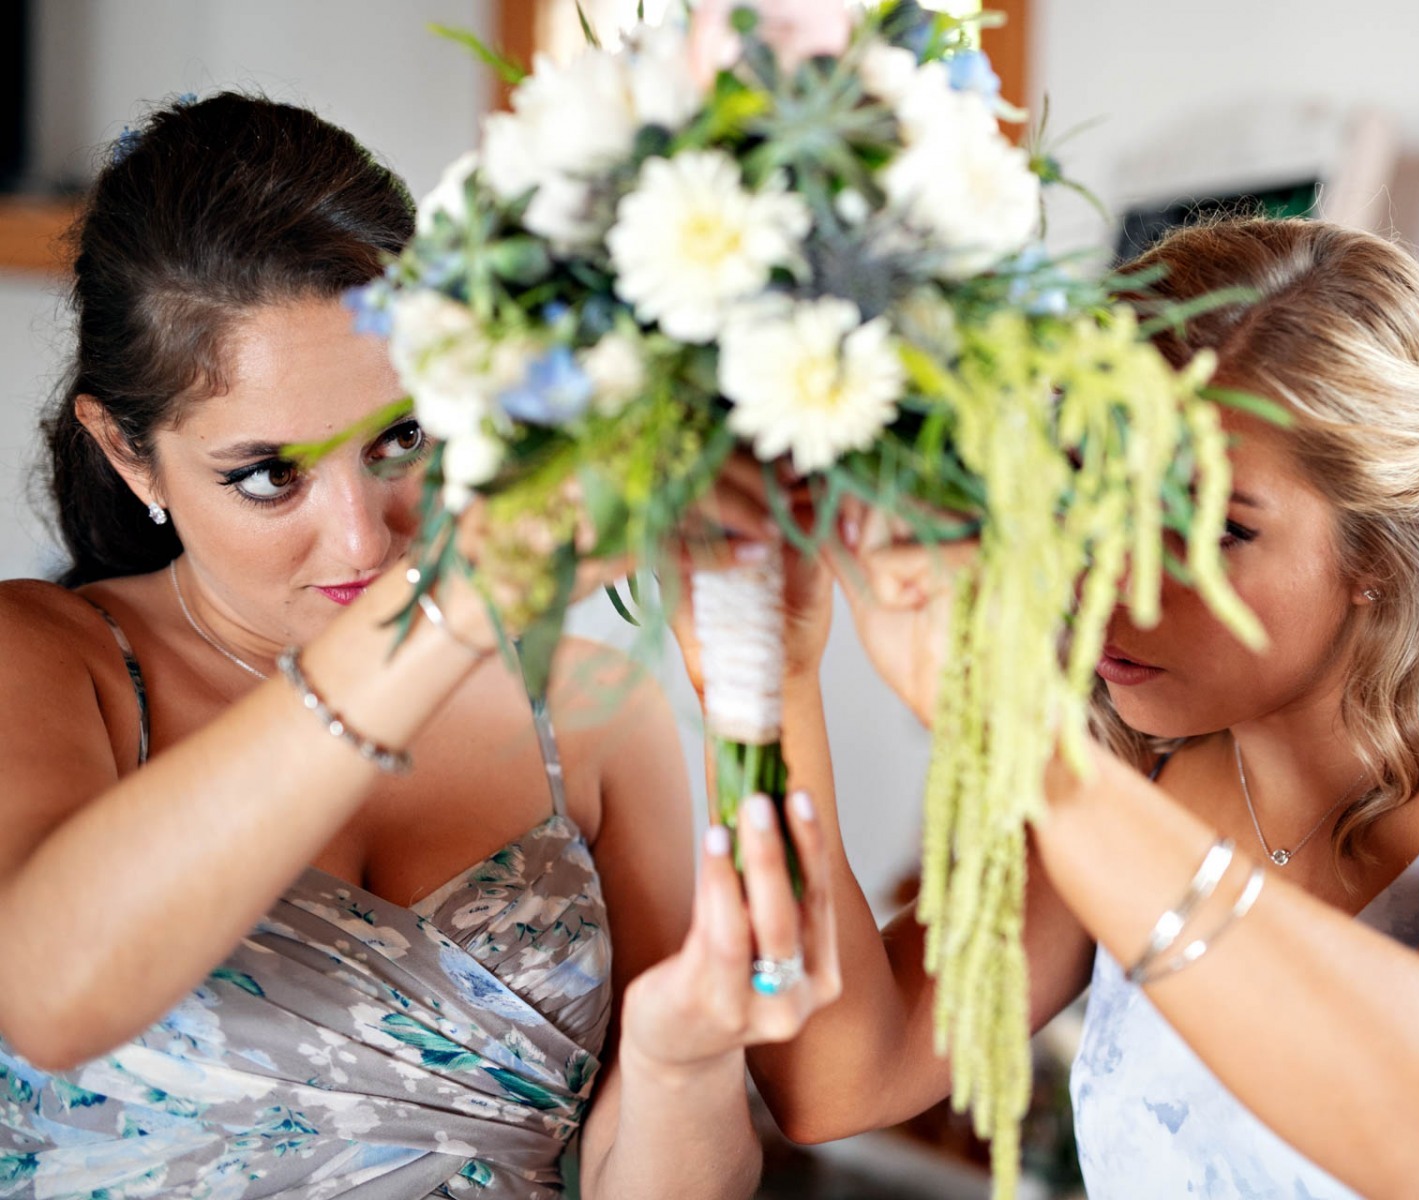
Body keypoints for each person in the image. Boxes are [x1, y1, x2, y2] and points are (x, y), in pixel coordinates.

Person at [745, 218, 1419, 1198]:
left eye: (1210, 525)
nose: (1114, 582)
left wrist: (1029, 748)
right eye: (1086, 499)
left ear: (1374, 545)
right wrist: (770, 675)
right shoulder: (1133, 773)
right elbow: (839, 1077)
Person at [0, 92, 839, 1199]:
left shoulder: (590, 715)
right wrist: (446, 612)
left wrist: (683, 1061)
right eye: (268, 474)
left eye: (402, 437)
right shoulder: (51, 662)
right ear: (129, 453)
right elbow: (49, 998)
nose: (364, 535)